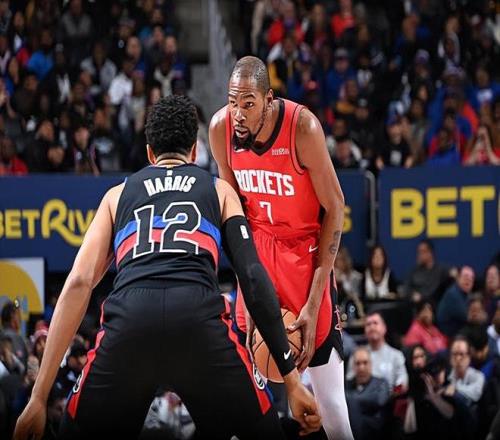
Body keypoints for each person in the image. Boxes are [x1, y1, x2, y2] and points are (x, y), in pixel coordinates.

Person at [13, 95, 321, 440]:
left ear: (149, 153)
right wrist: (291, 381)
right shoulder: (219, 190)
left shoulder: (117, 195)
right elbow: (252, 276)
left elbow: (79, 283)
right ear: (194, 151)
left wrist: (38, 397)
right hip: (198, 320)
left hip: (130, 320)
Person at [209, 55, 353, 439]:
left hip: (304, 256)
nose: (238, 114)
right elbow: (233, 217)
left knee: (332, 410)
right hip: (257, 256)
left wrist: (314, 302)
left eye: (249, 103)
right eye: (233, 102)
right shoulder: (220, 129)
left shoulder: (302, 128)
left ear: (269, 100)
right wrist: (249, 295)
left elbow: (335, 206)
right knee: (248, 406)